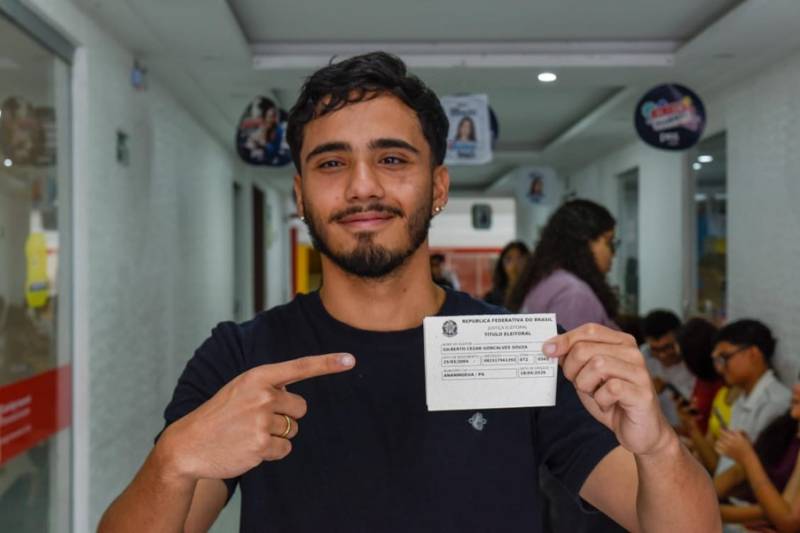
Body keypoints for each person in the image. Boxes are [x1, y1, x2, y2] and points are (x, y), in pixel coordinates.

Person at [98, 51, 719, 533]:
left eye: (392, 159)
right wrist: (172, 461)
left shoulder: (522, 352)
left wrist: (658, 446)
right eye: (332, 163)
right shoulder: (241, 357)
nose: (362, 187)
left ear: (438, 187)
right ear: (300, 195)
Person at [507, 199, 619, 331]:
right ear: (586, 242)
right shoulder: (574, 295)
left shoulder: (549, 280)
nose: (613, 253)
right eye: (609, 242)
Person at [715, 385, 800, 530]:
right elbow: (738, 472)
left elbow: (787, 519)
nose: (796, 387)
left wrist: (748, 457)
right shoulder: (784, 426)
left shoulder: (773, 402)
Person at [641, 310, 697, 428]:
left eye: (668, 347)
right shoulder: (643, 356)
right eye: (655, 349)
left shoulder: (693, 360)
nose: (662, 355)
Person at [483, 240, 529, 306]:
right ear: (502, 265)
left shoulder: (535, 294)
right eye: (509, 259)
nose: (514, 264)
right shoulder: (491, 299)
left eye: (520, 258)